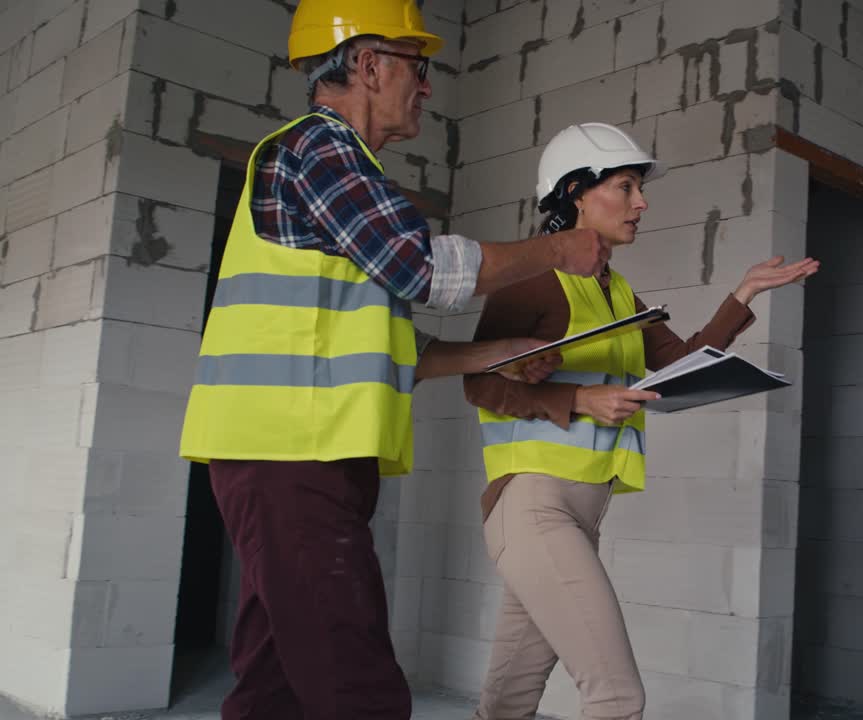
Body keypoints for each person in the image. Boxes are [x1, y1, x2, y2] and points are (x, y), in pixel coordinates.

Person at [176, 2, 611, 719]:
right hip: (292, 453)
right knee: (359, 687)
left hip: (293, 451)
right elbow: (418, 266)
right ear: (369, 63)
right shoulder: (321, 149)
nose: (427, 86)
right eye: (419, 65)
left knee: (277, 681)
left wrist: (496, 353)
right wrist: (558, 251)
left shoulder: (339, 172)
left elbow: (381, 349)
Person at [462, 122, 820, 719]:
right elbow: (479, 381)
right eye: (626, 187)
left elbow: (680, 364)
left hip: (581, 513)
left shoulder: (619, 294)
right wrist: (581, 401)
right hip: (533, 507)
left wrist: (745, 293)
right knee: (617, 697)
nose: (641, 203)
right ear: (577, 193)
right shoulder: (530, 279)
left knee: (507, 702)